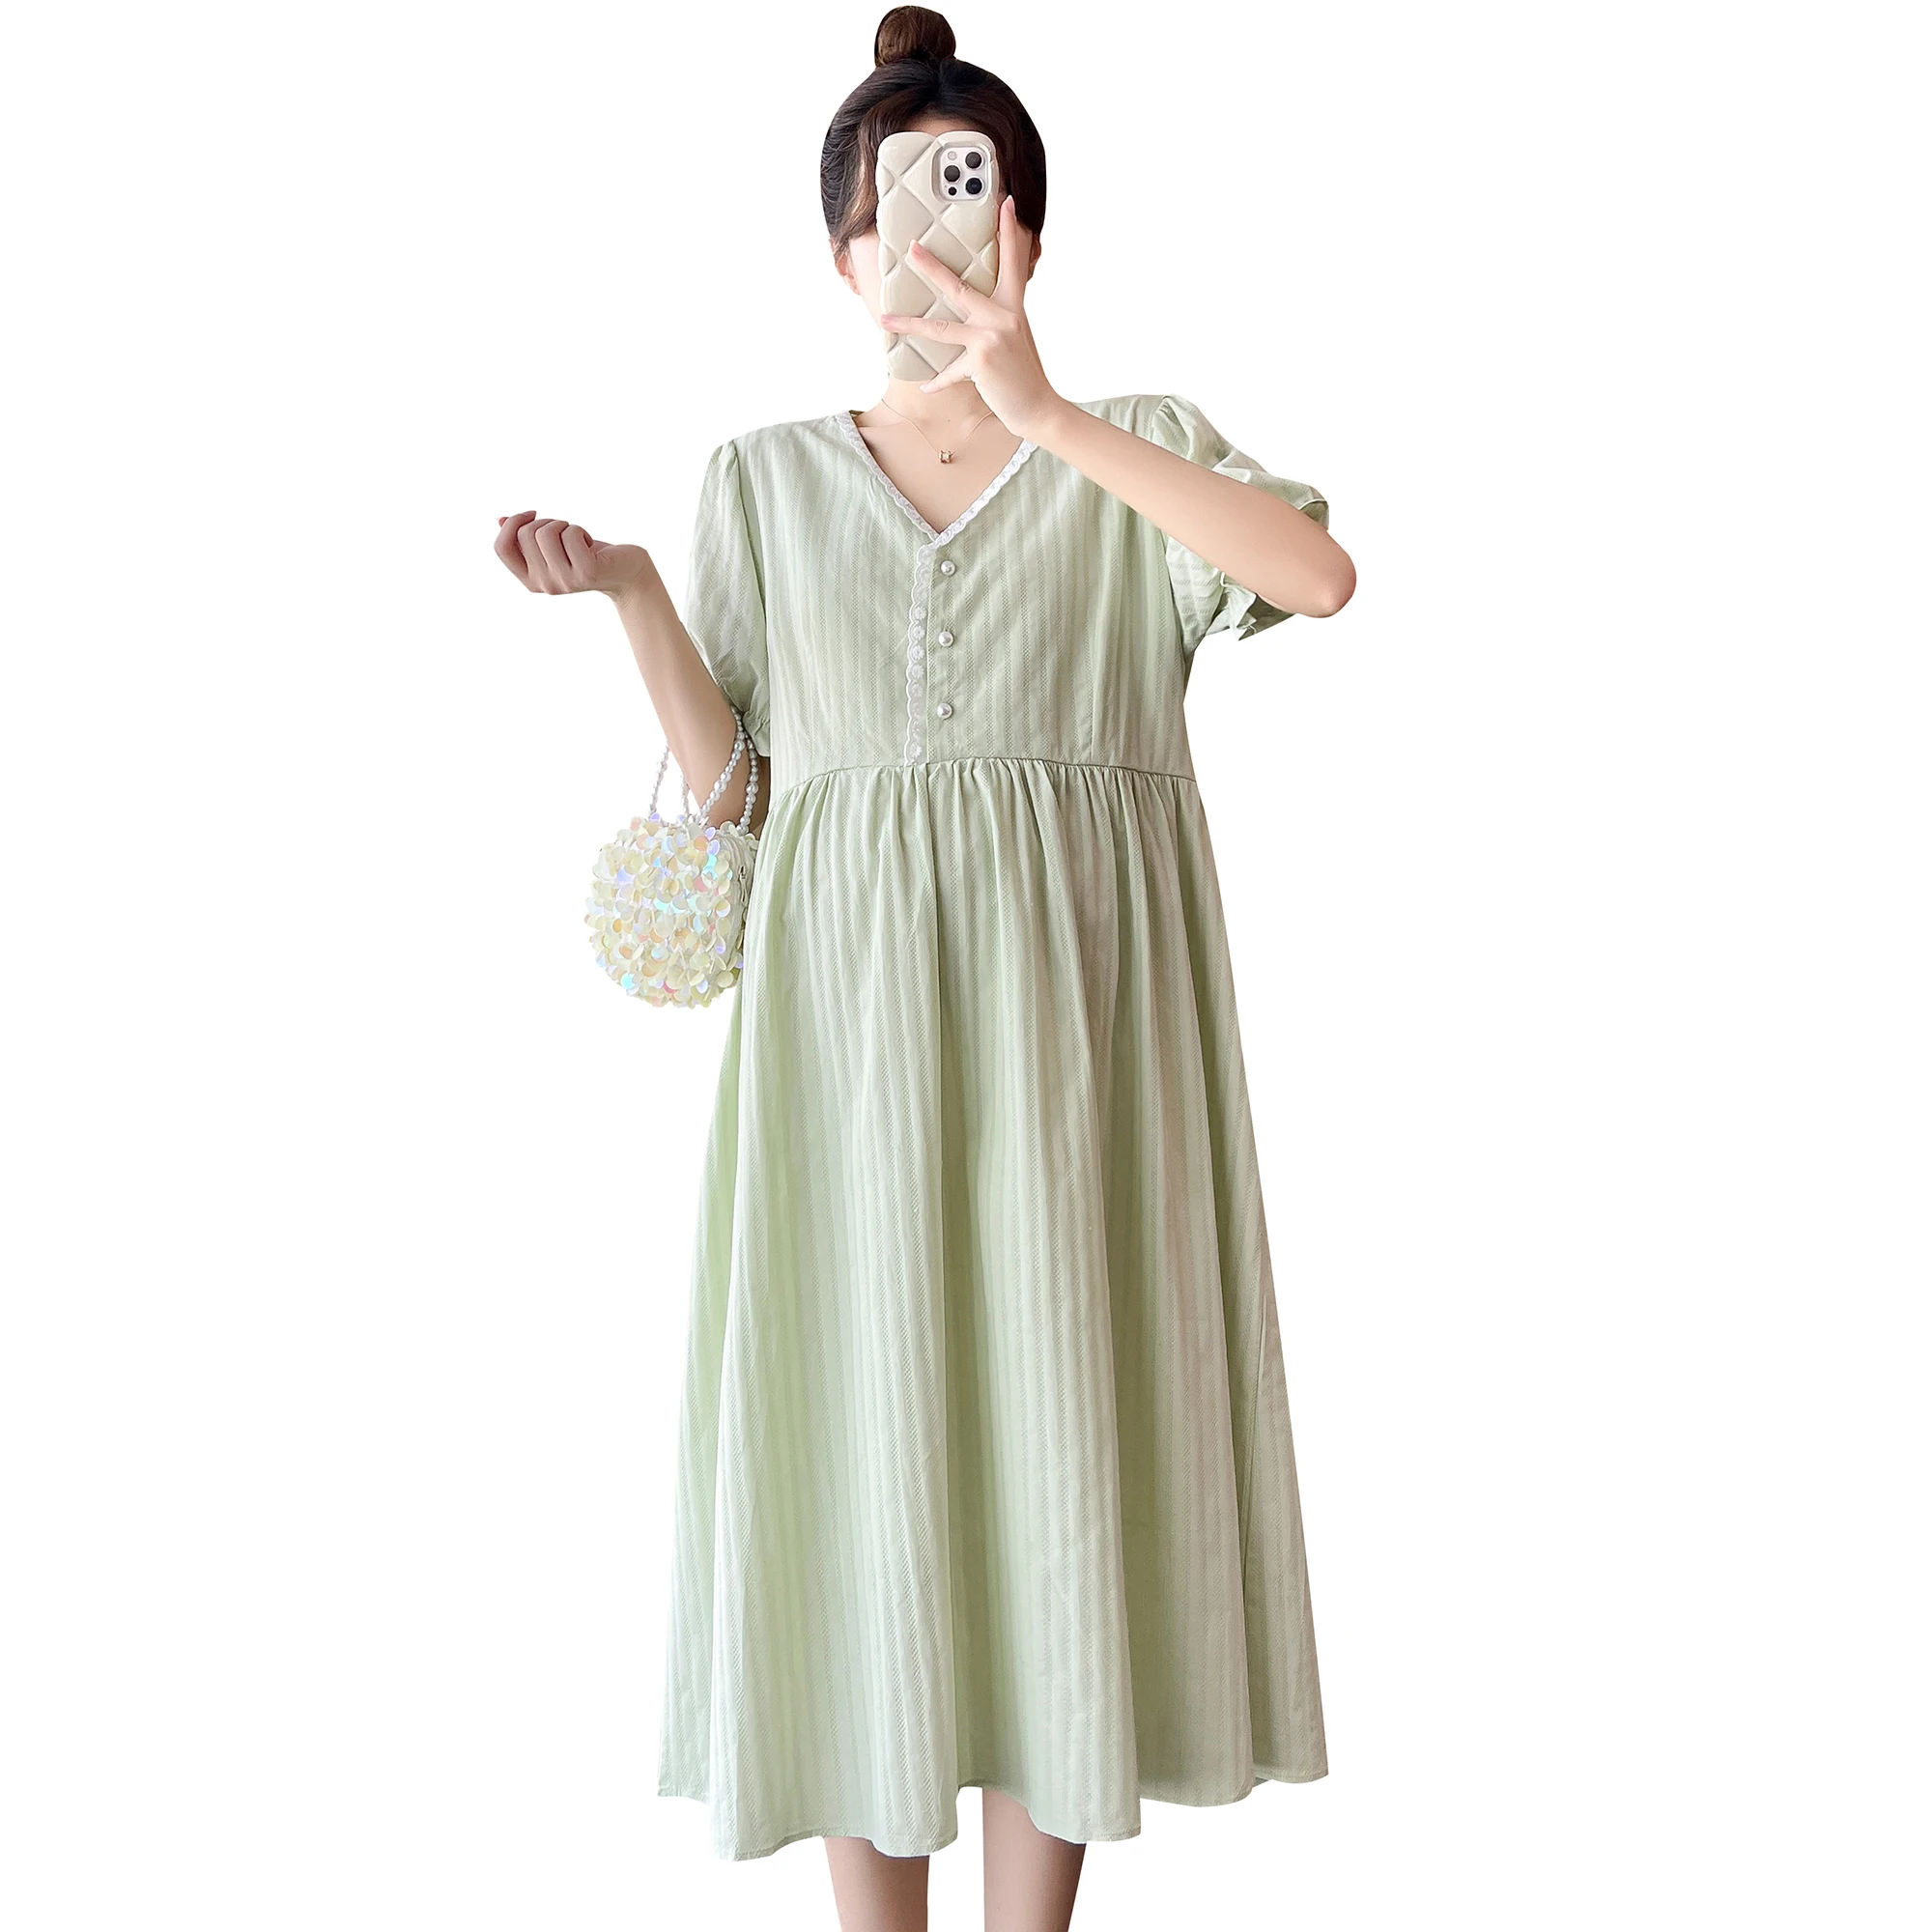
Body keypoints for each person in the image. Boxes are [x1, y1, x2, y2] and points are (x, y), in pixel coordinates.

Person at [493, 9, 1354, 1927]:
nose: (937, 242)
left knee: (1062, 1446)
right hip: (848, 1052)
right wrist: (631, 591)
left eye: (974, 201)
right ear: (840, 252)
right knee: (859, 1441)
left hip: (1078, 1056)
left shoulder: (1139, 451)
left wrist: (1049, 415)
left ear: (1029, 233)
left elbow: (1316, 579)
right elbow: (747, 796)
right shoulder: (759, 478)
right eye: (898, 209)